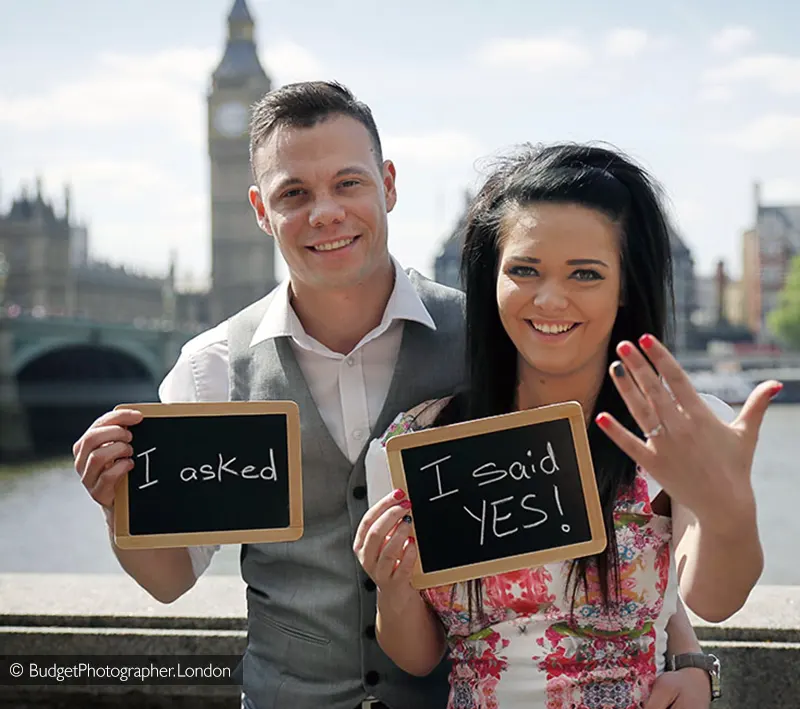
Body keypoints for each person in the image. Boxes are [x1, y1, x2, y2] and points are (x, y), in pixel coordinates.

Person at [71, 82, 719, 709]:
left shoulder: (491, 337)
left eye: (347, 182)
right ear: (261, 210)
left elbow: (620, 506)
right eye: (293, 192)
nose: (325, 211)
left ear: (389, 183)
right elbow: (170, 577)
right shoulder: (214, 368)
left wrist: (687, 655)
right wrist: (115, 502)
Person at [354, 142, 780, 708]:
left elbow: (714, 597)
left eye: (585, 274)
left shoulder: (677, 430)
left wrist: (730, 512)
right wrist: (393, 587)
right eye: (524, 270)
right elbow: (419, 654)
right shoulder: (418, 445)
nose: (550, 299)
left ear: (625, 284)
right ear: (491, 281)